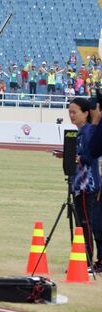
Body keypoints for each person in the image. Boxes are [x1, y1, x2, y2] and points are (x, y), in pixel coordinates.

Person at [68, 97, 101, 272]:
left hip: (87, 185)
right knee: (82, 223)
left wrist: (77, 157)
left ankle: (87, 260)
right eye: (69, 112)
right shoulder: (80, 133)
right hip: (79, 184)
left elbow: (90, 157)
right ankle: (82, 259)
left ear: (86, 113)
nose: (71, 116)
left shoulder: (88, 132)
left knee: (86, 223)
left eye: (74, 112)